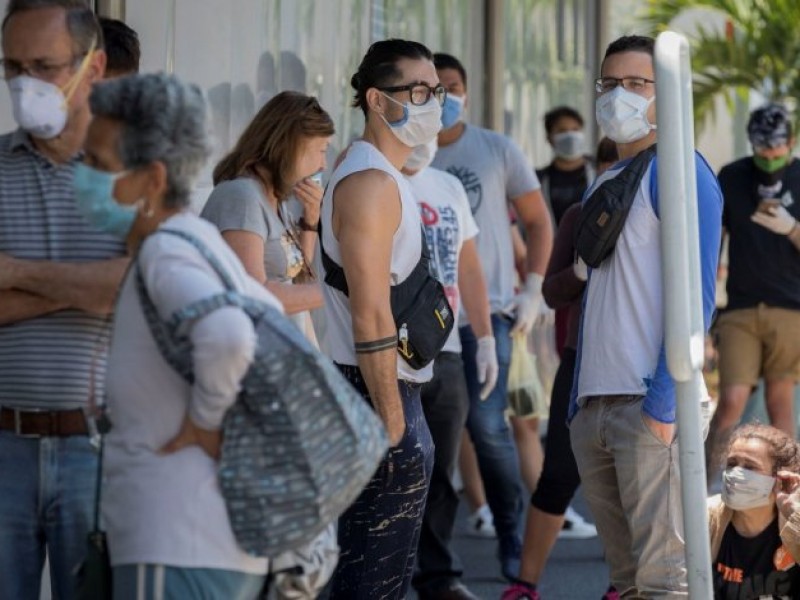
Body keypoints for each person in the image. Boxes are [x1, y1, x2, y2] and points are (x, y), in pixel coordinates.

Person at [77, 72, 271, 599]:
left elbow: (230, 336)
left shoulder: (164, 251)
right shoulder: (202, 241)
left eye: (97, 164)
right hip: (209, 545)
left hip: (174, 545)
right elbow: (265, 313)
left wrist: (205, 422)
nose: (83, 177)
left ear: (153, 179)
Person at [567, 35, 722, 597]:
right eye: (609, 84)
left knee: (666, 583)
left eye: (636, 84)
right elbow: (598, 297)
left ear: (668, 94)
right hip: (597, 407)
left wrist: (663, 402)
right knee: (627, 582)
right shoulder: (606, 179)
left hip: (651, 404)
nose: (618, 96)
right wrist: (575, 407)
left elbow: (698, 295)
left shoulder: (682, 171)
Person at [0, 2, 128, 598]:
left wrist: (15, 273)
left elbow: (138, 289)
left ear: (93, 67)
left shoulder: (133, 174)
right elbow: (113, 287)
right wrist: (90, 286)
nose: (25, 84)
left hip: (100, 450)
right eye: (12, 67)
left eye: (44, 66)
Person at [318, 38, 442, 599]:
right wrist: (393, 425)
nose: (432, 101)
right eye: (418, 90)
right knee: (371, 575)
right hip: (373, 393)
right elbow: (369, 313)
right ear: (376, 99)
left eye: (436, 90)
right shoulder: (369, 182)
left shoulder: (381, 175)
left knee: (381, 573)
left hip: (384, 392)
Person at [431, 51, 554, 580]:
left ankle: (511, 533)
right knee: (430, 437)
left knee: (488, 426)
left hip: (492, 310)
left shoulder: (496, 149)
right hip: (423, 317)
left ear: (466, 90)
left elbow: (538, 223)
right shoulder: (406, 156)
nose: (443, 99)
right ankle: (434, 560)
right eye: (432, 90)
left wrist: (533, 289)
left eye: (451, 87)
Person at [502, 138, 619, 600]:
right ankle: (525, 584)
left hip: (639, 367)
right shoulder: (579, 215)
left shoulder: (661, 215)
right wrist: (578, 274)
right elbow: (551, 292)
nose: (616, 181)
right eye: (609, 169)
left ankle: (622, 586)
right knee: (559, 474)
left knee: (630, 477)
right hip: (581, 358)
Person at [402, 139, 497, 600]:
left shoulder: (449, 187)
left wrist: (484, 338)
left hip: (449, 345)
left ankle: (438, 576)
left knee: (439, 467)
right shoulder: (372, 176)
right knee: (393, 466)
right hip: (394, 348)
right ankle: (383, 572)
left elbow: (469, 267)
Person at [707, 103, 800, 471]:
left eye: (776, 148)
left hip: (790, 307)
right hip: (741, 307)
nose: (769, 156)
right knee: (731, 399)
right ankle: (703, 485)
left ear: (790, 141)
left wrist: (791, 228)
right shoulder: (732, 176)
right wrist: (702, 306)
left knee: (781, 403)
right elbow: (714, 243)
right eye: (762, 148)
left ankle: (789, 492)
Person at [201, 91, 332, 330]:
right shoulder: (242, 198)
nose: (323, 164)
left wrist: (310, 220)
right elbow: (254, 293)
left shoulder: (274, 198)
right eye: (321, 150)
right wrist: (338, 291)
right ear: (292, 146)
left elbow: (296, 278)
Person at [710, 423, 800, 598]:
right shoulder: (708, 518)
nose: (736, 473)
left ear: (781, 477)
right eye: (732, 464)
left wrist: (794, 513)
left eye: (749, 467)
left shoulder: (793, 517)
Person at [536, 105, 594, 226]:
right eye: (562, 131)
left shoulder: (600, 172)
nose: (570, 136)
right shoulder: (538, 181)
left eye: (575, 129)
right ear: (549, 138)